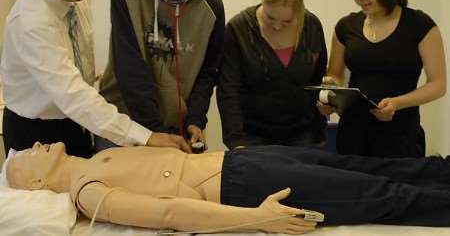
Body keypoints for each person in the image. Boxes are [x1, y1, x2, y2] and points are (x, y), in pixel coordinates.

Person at [0, 0, 190, 158]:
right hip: (36, 133)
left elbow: (80, 83)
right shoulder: (31, 22)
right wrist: (146, 137)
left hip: (78, 122)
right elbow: (73, 94)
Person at [7, 141, 450, 234]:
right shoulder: (87, 191)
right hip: (242, 185)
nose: (33, 145)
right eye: (25, 156)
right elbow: (169, 215)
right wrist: (260, 217)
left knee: (366, 161)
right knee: (383, 196)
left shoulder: (101, 151)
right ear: (38, 182)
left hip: (243, 159)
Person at [97, 0, 225, 151]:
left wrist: (196, 118)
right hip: (122, 123)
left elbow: (208, 72)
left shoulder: (213, 5)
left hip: (176, 128)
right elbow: (129, 65)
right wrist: (155, 133)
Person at [317, 0, 446, 158]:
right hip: (352, 135)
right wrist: (329, 99)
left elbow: (438, 85)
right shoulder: (345, 27)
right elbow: (335, 75)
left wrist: (397, 103)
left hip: (401, 136)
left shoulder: (420, 25)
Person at [217, 0, 327, 150]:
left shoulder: (312, 26)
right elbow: (228, 89)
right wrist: (236, 141)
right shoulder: (238, 30)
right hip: (252, 135)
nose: (277, 26)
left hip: (303, 134)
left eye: (287, 21)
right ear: (262, 2)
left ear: (300, 11)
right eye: (270, 18)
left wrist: (321, 122)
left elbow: (319, 79)